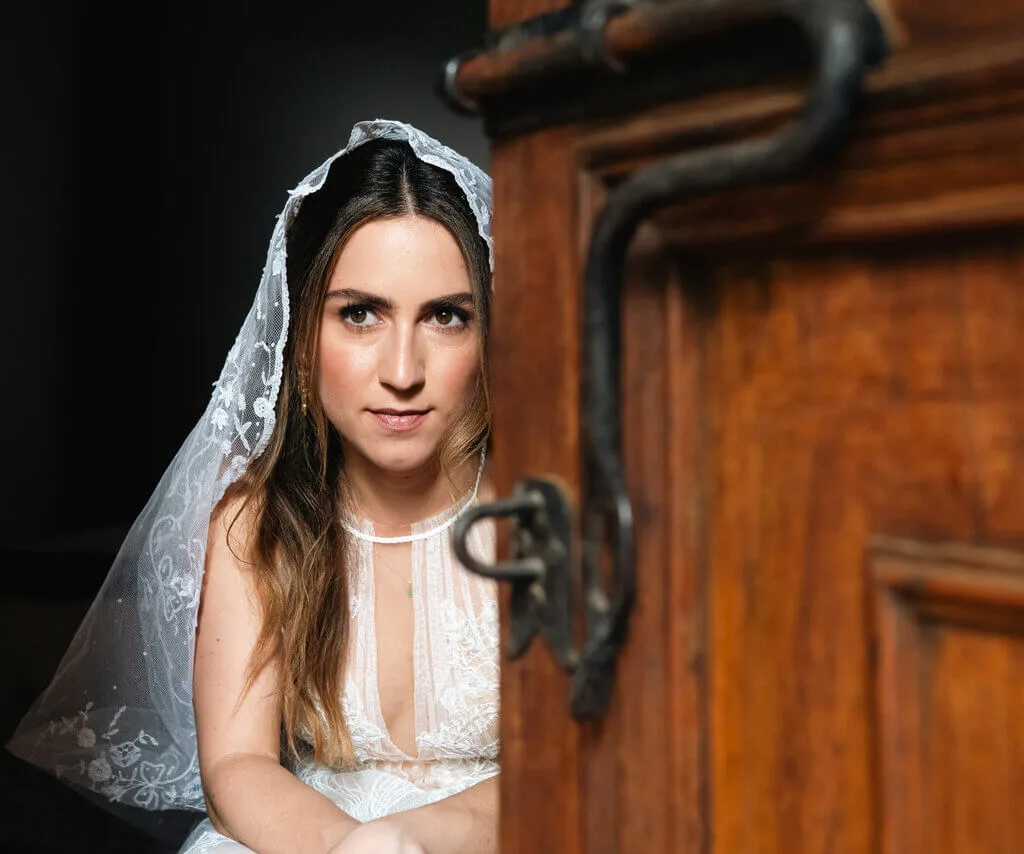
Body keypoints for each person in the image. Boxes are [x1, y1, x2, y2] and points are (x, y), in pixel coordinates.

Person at [7, 120, 500, 854]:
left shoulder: (542, 512)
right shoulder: (257, 519)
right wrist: (354, 849)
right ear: (303, 331)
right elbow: (237, 763)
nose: (404, 370)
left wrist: (410, 840)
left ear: (490, 329)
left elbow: (590, 751)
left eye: (445, 316)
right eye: (360, 314)